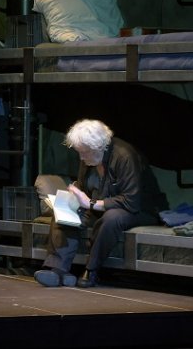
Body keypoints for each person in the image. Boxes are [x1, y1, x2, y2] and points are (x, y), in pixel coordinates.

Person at [35, 118, 167, 288]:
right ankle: (58, 270)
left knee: (112, 218)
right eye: (79, 152)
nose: (81, 157)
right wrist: (75, 195)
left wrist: (89, 203)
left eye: (85, 152)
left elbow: (130, 202)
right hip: (100, 205)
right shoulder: (88, 159)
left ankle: (92, 270)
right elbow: (85, 189)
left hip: (140, 210)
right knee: (63, 210)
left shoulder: (125, 156)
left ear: (98, 147)